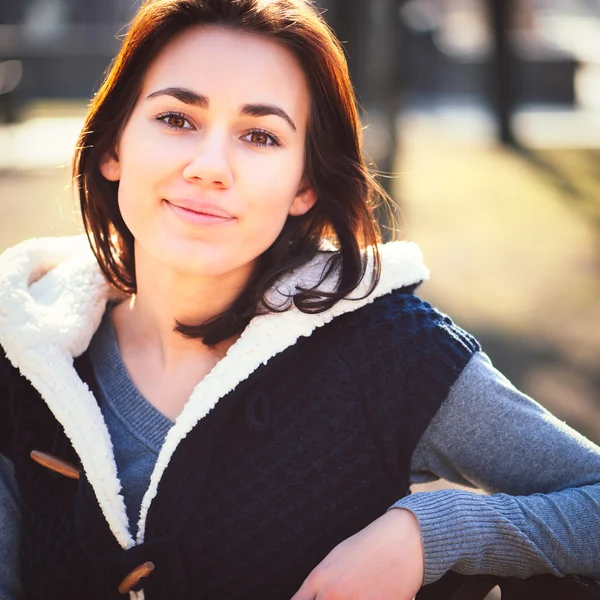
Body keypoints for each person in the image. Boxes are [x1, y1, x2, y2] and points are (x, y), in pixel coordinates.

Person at [0, 0, 599, 598]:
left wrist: (432, 533)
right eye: (177, 119)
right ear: (113, 148)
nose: (209, 167)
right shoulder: (26, 351)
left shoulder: (391, 351)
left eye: (260, 136)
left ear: (304, 186)